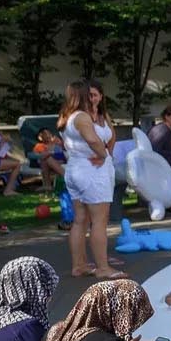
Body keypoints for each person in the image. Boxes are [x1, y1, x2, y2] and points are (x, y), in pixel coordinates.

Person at [58, 81, 119, 279]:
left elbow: (108, 136)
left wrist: (105, 153)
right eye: (88, 94)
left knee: (80, 220)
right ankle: (103, 268)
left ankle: (79, 266)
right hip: (92, 170)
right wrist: (103, 155)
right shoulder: (82, 117)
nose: (91, 98)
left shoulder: (67, 116)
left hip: (75, 168)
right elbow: (93, 140)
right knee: (99, 221)